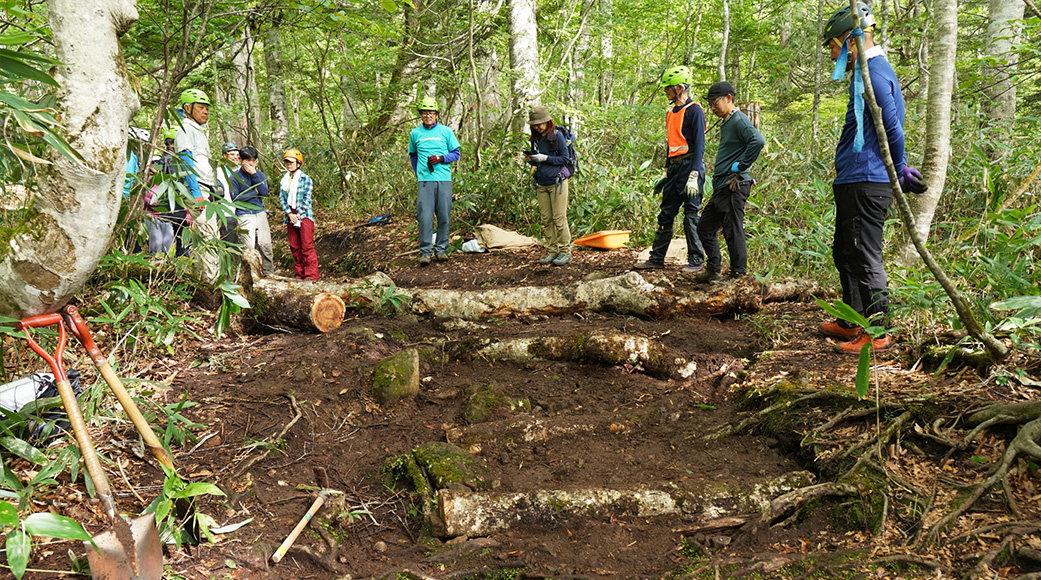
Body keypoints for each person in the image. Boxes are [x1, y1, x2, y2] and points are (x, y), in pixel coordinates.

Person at [819, 1, 926, 354]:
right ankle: (853, 320)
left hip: (868, 181)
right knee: (845, 252)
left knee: (864, 255)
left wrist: (901, 166)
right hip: (853, 179)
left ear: (850, 39)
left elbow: (890, 126)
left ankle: (877, 331)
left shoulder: (875, 74)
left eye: (833, 47)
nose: (834, 54)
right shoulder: (865, 73)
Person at [635, 65, 707, 273]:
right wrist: (665, 171)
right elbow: (671, 144)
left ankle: (696, 260)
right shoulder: (671, 113)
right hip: (675, 169)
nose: (666, 91)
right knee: (666, 214)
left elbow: (700, 145)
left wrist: (694, 174)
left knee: (691, 214)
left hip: (690, 166)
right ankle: (656, 258)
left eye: (669, 88)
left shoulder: (694, 110)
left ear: (680, 88)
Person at [695, 82, 765, 284]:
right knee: (705, 227)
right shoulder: (728, 121)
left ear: (728, 98)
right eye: (709, 104)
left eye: (715, 103)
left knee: (732, 229)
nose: (712, 108)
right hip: (722, 186)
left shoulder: (739, 119)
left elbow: (757, 141)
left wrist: (741, 166)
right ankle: (714, 269)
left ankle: (737, 275)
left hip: (734, 185)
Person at [173, 87, 222, 282]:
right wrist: (196, 193)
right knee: (209, 235)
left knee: (206, 234)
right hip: (198, 189)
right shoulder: (184, 129)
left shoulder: (199, 131)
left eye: (207, 108)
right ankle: (212, 281)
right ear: (187, 108)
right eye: (201, 107)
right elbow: (186, 162)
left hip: (206, 188)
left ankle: (204, 278)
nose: (206, 111)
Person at [408, 96, 461, 266]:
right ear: (421, 115)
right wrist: (419, 173)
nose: (428, 115)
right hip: (425, 181)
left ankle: (441, 250)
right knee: (424, 216)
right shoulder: (415, 133)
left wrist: (441, 158)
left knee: (444, 215)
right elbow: (413, 155)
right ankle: (425, 252)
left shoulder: (446, 132)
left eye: (431, 112)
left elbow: (456, 153)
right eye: (424, 112)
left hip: (444, 179)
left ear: (436, 114)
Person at [525, 105, 573, 266]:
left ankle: (565, 252)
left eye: (540, 123)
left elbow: (564, 159)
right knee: (546, 219)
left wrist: (545, 158)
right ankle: (552, 251)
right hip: (541, 183)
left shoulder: (557, 136)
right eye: (535, 124)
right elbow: (536, 160)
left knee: (559, 218)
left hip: (557, 182)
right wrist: (531, 159)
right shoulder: (536, 139)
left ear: (547, 121)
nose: (537, 126)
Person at [231, 146, 275, 275]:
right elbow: (236, 197)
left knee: (265, 244)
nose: (251, 164)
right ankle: (251, 275)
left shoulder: (259, 175)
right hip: (244, 213)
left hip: (259, 212)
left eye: (253, 160)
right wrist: (254, 192)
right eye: (248, 160)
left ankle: (269, 273)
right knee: (248, 246)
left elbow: (264, 192)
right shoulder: (235, 177)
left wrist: (254, 175)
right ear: (241, 160)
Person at [279, 148, 319, 280]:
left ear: (298, 163)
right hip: (290, 215)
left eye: (291, 162)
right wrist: (289, 213)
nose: (289, 164)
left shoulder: (305, 179)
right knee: (295, 246)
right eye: (287, 162)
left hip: (304, 215)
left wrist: (298, 215)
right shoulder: (284, 180)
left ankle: (311, 276)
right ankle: (299, 275)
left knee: (306, 246)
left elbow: (307, 199)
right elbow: (282, 198)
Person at [144, 155, 175, 256]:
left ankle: (163, 262)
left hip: (164, 216)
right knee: (156, 241)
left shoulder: (168, 180)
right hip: (150, 215)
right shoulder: (147, 180)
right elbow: (148, 198)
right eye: (154, 163)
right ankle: (154, 260)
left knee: (168, 240)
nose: (156, 166)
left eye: (158, 163)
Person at [215, 141, 241, 243]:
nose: (235, 157)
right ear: (224, 156)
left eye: (237, 155)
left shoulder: (244, 171)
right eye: (231, 154)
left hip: (244, 213)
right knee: (230, 243)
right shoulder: (218, 172)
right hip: (227, 213)